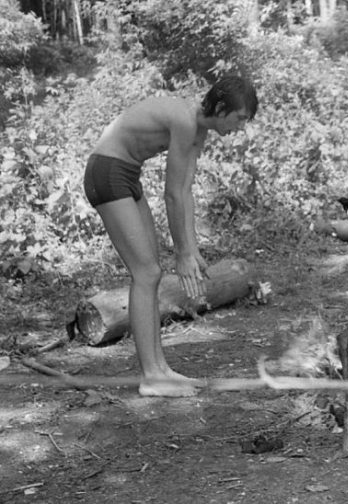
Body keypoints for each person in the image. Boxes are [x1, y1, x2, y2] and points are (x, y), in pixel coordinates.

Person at [84, 76, 258, 397]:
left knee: (151, 273)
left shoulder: (198, 131)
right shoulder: (184, 120)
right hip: (107, 172)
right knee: (146, 273)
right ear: (221, 108)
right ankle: (150, 377)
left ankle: (161, 370)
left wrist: (191, 248)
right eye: (240, 118)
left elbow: (185, 192)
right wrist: (182, 254)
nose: (241, 127)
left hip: (126, 175)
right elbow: (172, 194)